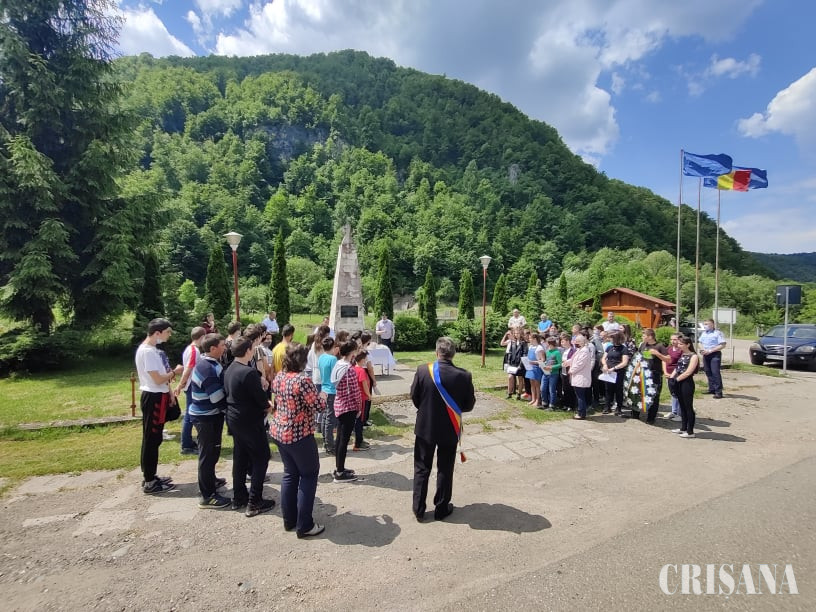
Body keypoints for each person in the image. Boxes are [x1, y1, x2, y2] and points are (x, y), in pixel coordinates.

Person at [411, 337, 476, 522]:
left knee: (421, 468)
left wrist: (426, 409)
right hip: (449, 427)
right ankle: (441, 508)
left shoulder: (423, 370)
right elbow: (469, 405)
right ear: (453, 354)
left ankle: (418, 509)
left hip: (425, 427)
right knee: (445, 468)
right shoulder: (464, 375)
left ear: (437, 352)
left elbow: (415, 396)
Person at [269, 343, 326, 538]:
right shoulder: (302, 381)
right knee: (308, 475)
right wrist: (323, 395)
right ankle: (305, 525)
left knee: (290, 474)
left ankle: (289, 520)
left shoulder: (280, 376)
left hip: (280, 431)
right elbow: (318, 406)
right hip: (299, 434)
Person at [223, 336, 275, 517]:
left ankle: (239, 496)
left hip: (234, 418)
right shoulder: (248, 372)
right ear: (247, 351)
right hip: (249, 421)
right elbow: (260, 399)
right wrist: (268, 405)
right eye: (252, 349)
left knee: (240, 457)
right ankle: (255, 501)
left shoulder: (229, 369)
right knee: (261, 456)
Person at [135, 318, 182, 494]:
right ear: (157, 333)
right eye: (167, 332)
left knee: (155, 437)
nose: (169, 335)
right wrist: (175, 372)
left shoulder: (154, 350)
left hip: (160, 394)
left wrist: (169, 393)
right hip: (153, 397)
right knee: (151, 438)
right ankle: (149, 480)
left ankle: (151, 475)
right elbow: (157, 379)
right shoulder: (147, 352)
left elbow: (162, 377)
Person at [189, 333, 230, 509]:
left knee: (214, 451)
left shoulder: (212, 363)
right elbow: (216, 397)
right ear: (213, 348)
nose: (225, 348)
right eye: (222, 345)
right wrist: (230, 410)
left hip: (211, 415)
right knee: (207, 453)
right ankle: (207, 496)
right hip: (205, 417)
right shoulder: (207, 369)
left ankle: (211, 479)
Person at [330, 340, 361, 482]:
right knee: (344, 439)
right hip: (349, 407)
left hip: (339, 404)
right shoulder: (349, 370)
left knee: (339, 438)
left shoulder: (338, 364)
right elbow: (355, 391)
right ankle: (340, 472)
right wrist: (359, 407)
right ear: (352, 352)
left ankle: (339, 467)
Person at [174, 326, 206, 455]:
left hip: (190, 384)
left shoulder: (189, 348)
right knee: (189, 415)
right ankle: (186, 444)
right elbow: (188, 369)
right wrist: (180, 385)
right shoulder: (194, 350)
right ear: (202, 337)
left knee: (190, 414)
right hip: (192, 385)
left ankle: (188, 441)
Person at [669, 335, 700, 438]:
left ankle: (690, 431)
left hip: (686, 383)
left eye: (681, 344)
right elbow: (677, 367)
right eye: (679, 343)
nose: (679, 345)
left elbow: (688, 372)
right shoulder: (683, 354)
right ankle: (683, 428)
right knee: (682, 406)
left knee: (688, 406)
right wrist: (672, 377)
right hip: (678, 381)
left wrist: (677, 379)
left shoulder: (694, 356)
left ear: (688, 344)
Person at [638, 328, 669, 423]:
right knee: (640, 393)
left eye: (644, 336)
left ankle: (651, 418)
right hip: (643, 373)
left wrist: (658, 354)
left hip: (654, 374)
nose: (642, 337)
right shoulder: (643, 345)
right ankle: (636, 413)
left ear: (650, 337)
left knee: (654, 396)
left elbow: (668, 359)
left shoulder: (659, 346)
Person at [318, 336, 340, 455]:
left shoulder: (321, 357)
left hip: (324, 389)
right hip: (332, 390)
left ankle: (325, 441)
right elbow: (335, 375)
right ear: (333, 346)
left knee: (325, 417)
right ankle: (330, 446)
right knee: (330, 420)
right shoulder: (333, 359)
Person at [601, 332, 630, 416]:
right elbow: (603, 358)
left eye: (611, 338)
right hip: (608, 371)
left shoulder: (623, 349)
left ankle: (619, 408)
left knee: (618, 390)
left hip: (618, 372)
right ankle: (607, 406)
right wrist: (605, 365)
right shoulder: (609, 347)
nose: (610, 339)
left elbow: (624, 362)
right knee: (608, 389)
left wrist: (614, 368)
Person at [565, 334, 593, 420]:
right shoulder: (579, 350)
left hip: (581, 376)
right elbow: (573, 359)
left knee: (580, 396)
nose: (575, 343)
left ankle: (581, 413)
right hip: (577, 376)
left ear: (582, 342)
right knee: (579, 395)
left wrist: (571, 370)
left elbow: (580, 364)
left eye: (577, 341)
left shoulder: (584, 351)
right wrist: (567, 362)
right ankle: (580, 411)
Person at [698, 318, 726, 399]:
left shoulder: (717, 333)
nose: (705, 326)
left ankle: (718, 392)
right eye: (704, 324)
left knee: (715, 372)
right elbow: (700, 342)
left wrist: (710, 350)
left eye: (707, 324)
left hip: (714, 354)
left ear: (712, 325)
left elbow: (722, 345)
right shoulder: (704, 333)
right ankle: (712, 389)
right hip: (706, 354)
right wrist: (702, 349)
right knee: (708, 371)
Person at [352, 351, 372, 451]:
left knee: (356, 420)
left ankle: (358, 440)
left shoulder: (352, 369)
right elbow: (364, 385)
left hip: (354, 398)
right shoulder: (361, 371)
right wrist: (369, 395)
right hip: (362, 398)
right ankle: (358, 443)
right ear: (362, 359)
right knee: (360, 421)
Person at [663, 333, 683, 421]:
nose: (673, 341)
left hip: (677, 374)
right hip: (668, 374)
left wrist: (673, 375)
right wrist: (665, 372)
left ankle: (680, 414)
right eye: (671, 339)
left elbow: (680, 364)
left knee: (679, 393)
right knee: (673, 393)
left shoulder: (681, 350)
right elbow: (664, 360)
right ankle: (674, 411)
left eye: (675, 339)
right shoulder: (669, 349)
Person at [540, 336, 562, 410]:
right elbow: (547, 361)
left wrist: (551, 367)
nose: (546, 344)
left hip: (554, 374)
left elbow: (560, 364)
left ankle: (552, 405)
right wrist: (542, 364)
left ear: (550, 344)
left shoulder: (557, 352)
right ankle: (544, 403)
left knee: (551, 389)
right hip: (546, 373)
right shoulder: (547, 351)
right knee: (542, 388)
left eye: (547, 343)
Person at [524, 332, 543, 406]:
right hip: (529, 367)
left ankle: (538, 400)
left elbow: (542, 360)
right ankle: (533, 399)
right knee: (532, 384)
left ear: (535, 339)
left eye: (530, 338)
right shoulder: (530, 347)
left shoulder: (539, 348)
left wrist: (533, 362)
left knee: (537, 385)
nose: (529, 339)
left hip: (536, 368)